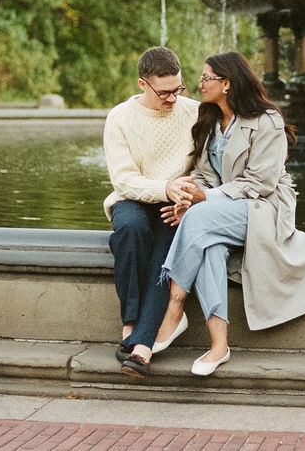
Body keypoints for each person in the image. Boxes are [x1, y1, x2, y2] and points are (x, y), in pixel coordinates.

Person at [154, 52, 305, 376]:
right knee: (209, 246)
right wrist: (190, 197)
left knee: (199, 220)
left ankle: (174, 306)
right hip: (224, 209)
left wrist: (207, 200)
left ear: (227, 83)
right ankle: (219, 345)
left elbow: (261, 182)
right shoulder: (210, 120)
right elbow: (204, 175)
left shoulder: (267, 121)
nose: (200, 84)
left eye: (207, 78)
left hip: (264, 208)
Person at [103, 46, 199, 379]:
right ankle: (131, 324)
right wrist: (164, 188)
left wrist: (188, 199)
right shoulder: (120, 117)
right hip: (132, 197)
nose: (173, 98)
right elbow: (124, 179)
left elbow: (207, 169)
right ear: (143, 84)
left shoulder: (196, 113)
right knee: (130, 230)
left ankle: (140, 349)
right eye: (165, 92)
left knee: (166, 253)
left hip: (176, 204)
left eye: (178, 89)